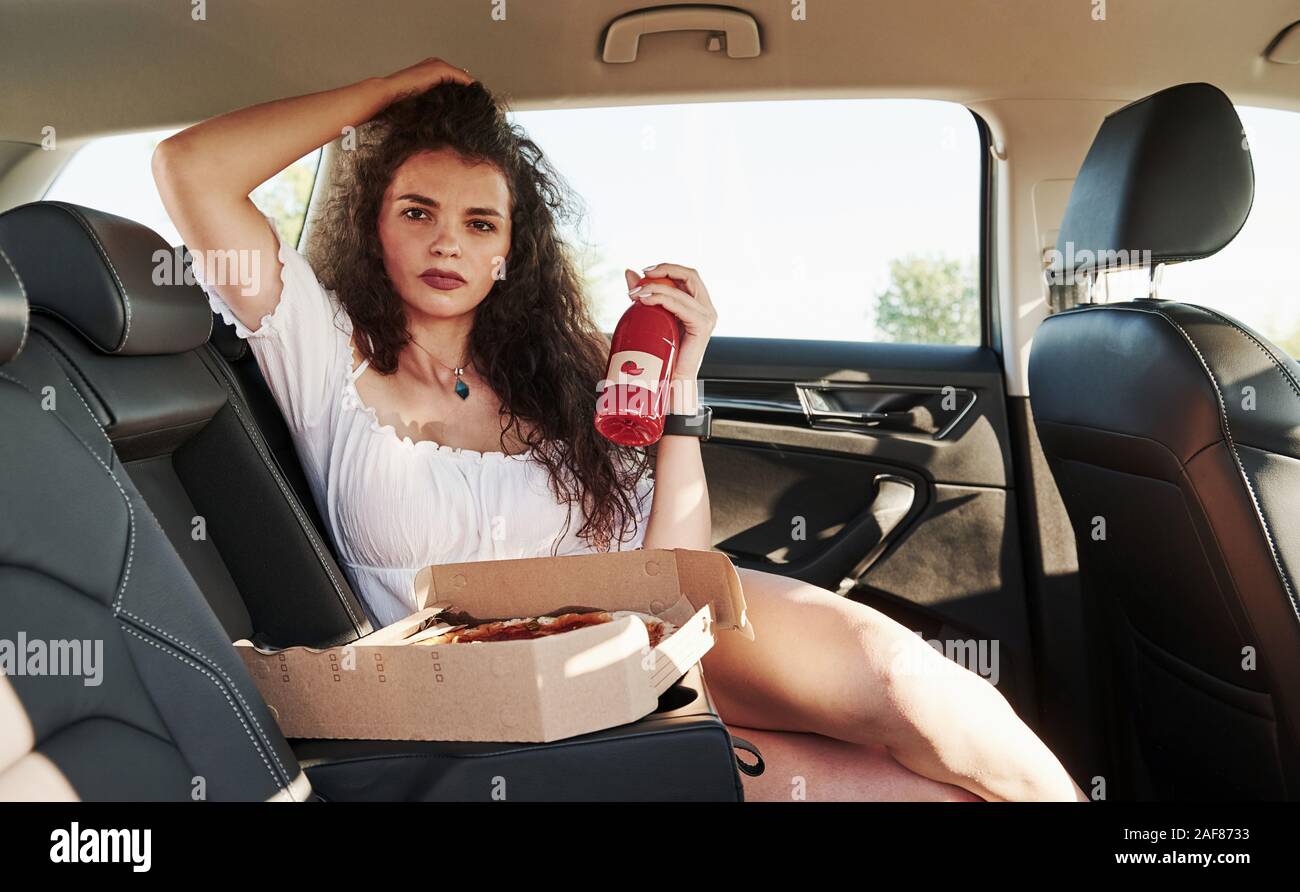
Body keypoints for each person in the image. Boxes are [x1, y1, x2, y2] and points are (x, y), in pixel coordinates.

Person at [153, 57, 1086, 802]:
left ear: (509, 251)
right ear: (373, 225)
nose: (448, 242)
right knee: (917, 798)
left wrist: (682, 385)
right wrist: (398, 93)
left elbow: (673, 574)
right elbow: (189, 168)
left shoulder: (575, 371)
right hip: (505, 698)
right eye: (417, 212)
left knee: (915, 687)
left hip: (643, 643)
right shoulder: (322, 353)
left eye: (480, 223)